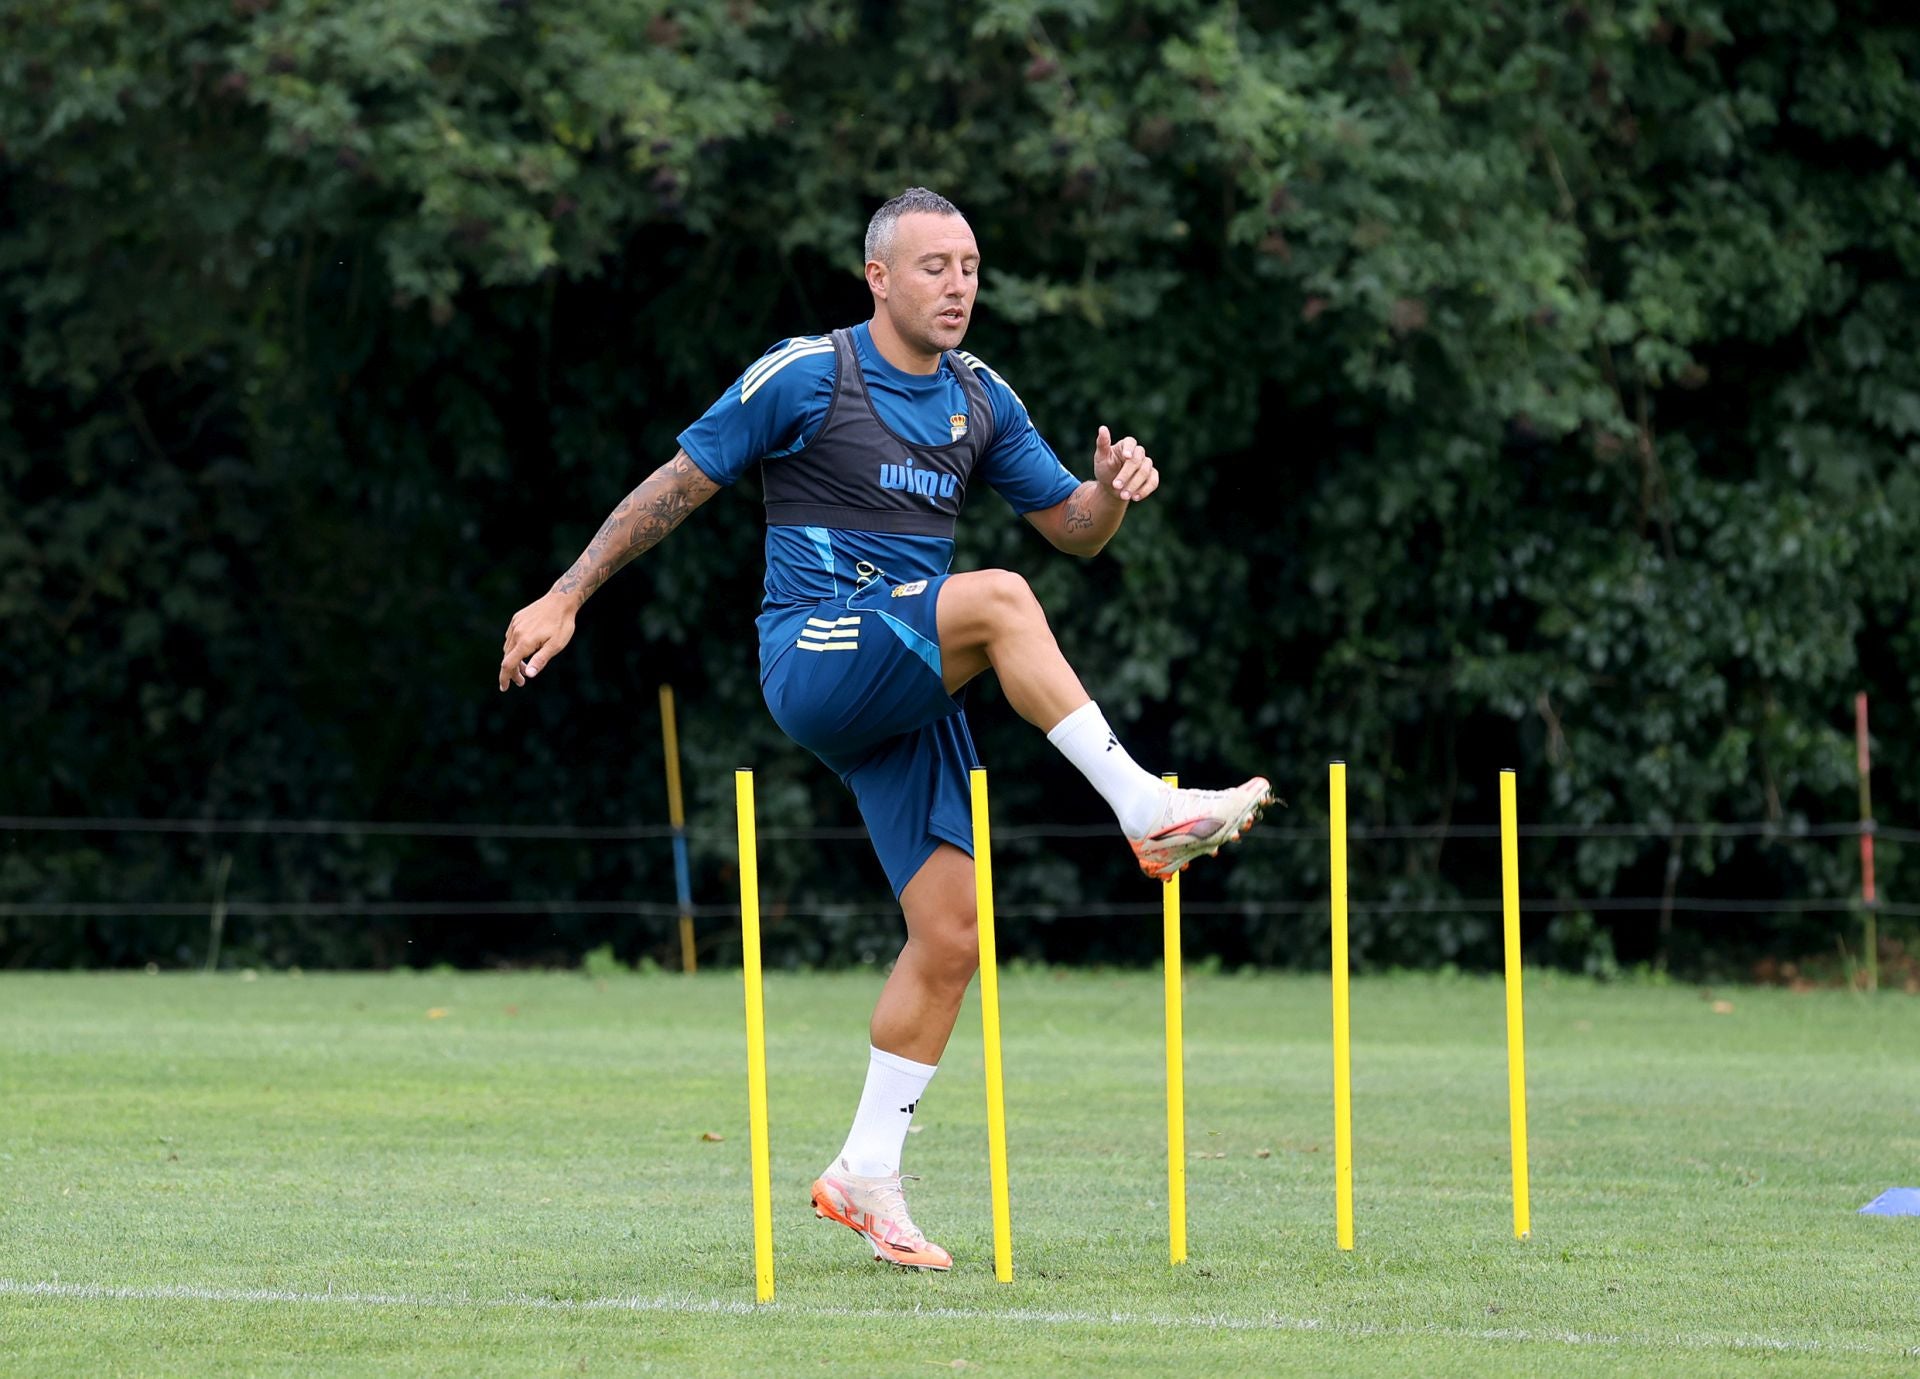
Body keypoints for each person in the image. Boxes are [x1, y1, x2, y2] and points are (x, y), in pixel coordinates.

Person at [498, 187, 1272, 1272]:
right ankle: (1146, 808)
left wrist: (1113, 491)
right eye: (933, 266)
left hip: (908, 672)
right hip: (812, 653)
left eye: (969, 264)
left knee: (952, 937)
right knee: (997, 599)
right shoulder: (809, 372)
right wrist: (566, 593)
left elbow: (1075, 532)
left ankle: (864, 1171)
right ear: (878, 278)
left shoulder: (981, 396)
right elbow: (680, 482)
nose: (958, 284)